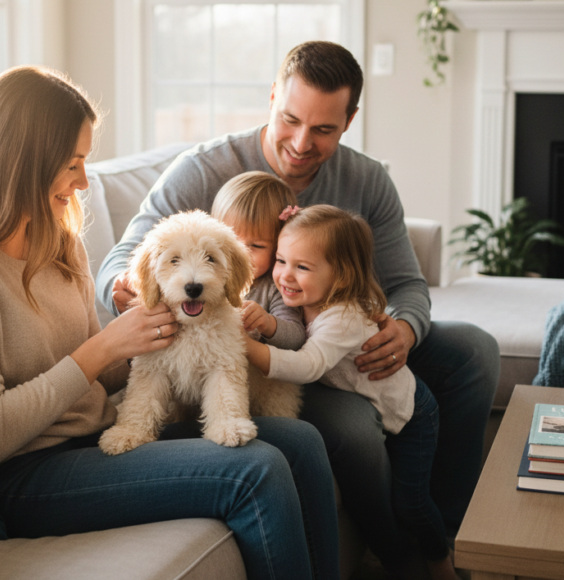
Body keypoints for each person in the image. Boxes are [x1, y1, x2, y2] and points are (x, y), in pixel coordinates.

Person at [0, 65, 340, 580]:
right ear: (23, 160)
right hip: (26, 475)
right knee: (256, 472)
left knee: (300, 442)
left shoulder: (55, 240)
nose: (83, 181)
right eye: (72, 163)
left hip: (95, 435)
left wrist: (161, 340)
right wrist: (105, 347)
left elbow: (101, 379)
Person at [96, 41, 500, 573]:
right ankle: (400, 552)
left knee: (474, 349)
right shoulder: (204, 168)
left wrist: (404, 328)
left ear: (350, 120)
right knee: (356, 428)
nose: (301, 144)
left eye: (324, 130)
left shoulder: (367, 180)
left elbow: (406, 283)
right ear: (271, 98)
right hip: (275, 364)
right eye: (290, 120)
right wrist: (124, 285)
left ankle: (446, 537)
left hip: (340, 339)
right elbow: (127, 254)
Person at [245, 205, 459, 580]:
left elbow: (307, 365)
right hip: (372, 402)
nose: (284, 275)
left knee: (411, 503)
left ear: (341, 276)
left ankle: (442, 563)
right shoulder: (306, 301)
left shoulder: (340, 317)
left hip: (411, 414)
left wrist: (243, 346)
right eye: (280, 259)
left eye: (302, 267)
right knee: (394, 494)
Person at [210, 171, 305, 350]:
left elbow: (297, 338)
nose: (241, 254)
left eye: (257, 246)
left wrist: (268, 323)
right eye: (231, 240)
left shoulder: (275, 288)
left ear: (279, 248)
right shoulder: (203, 276)